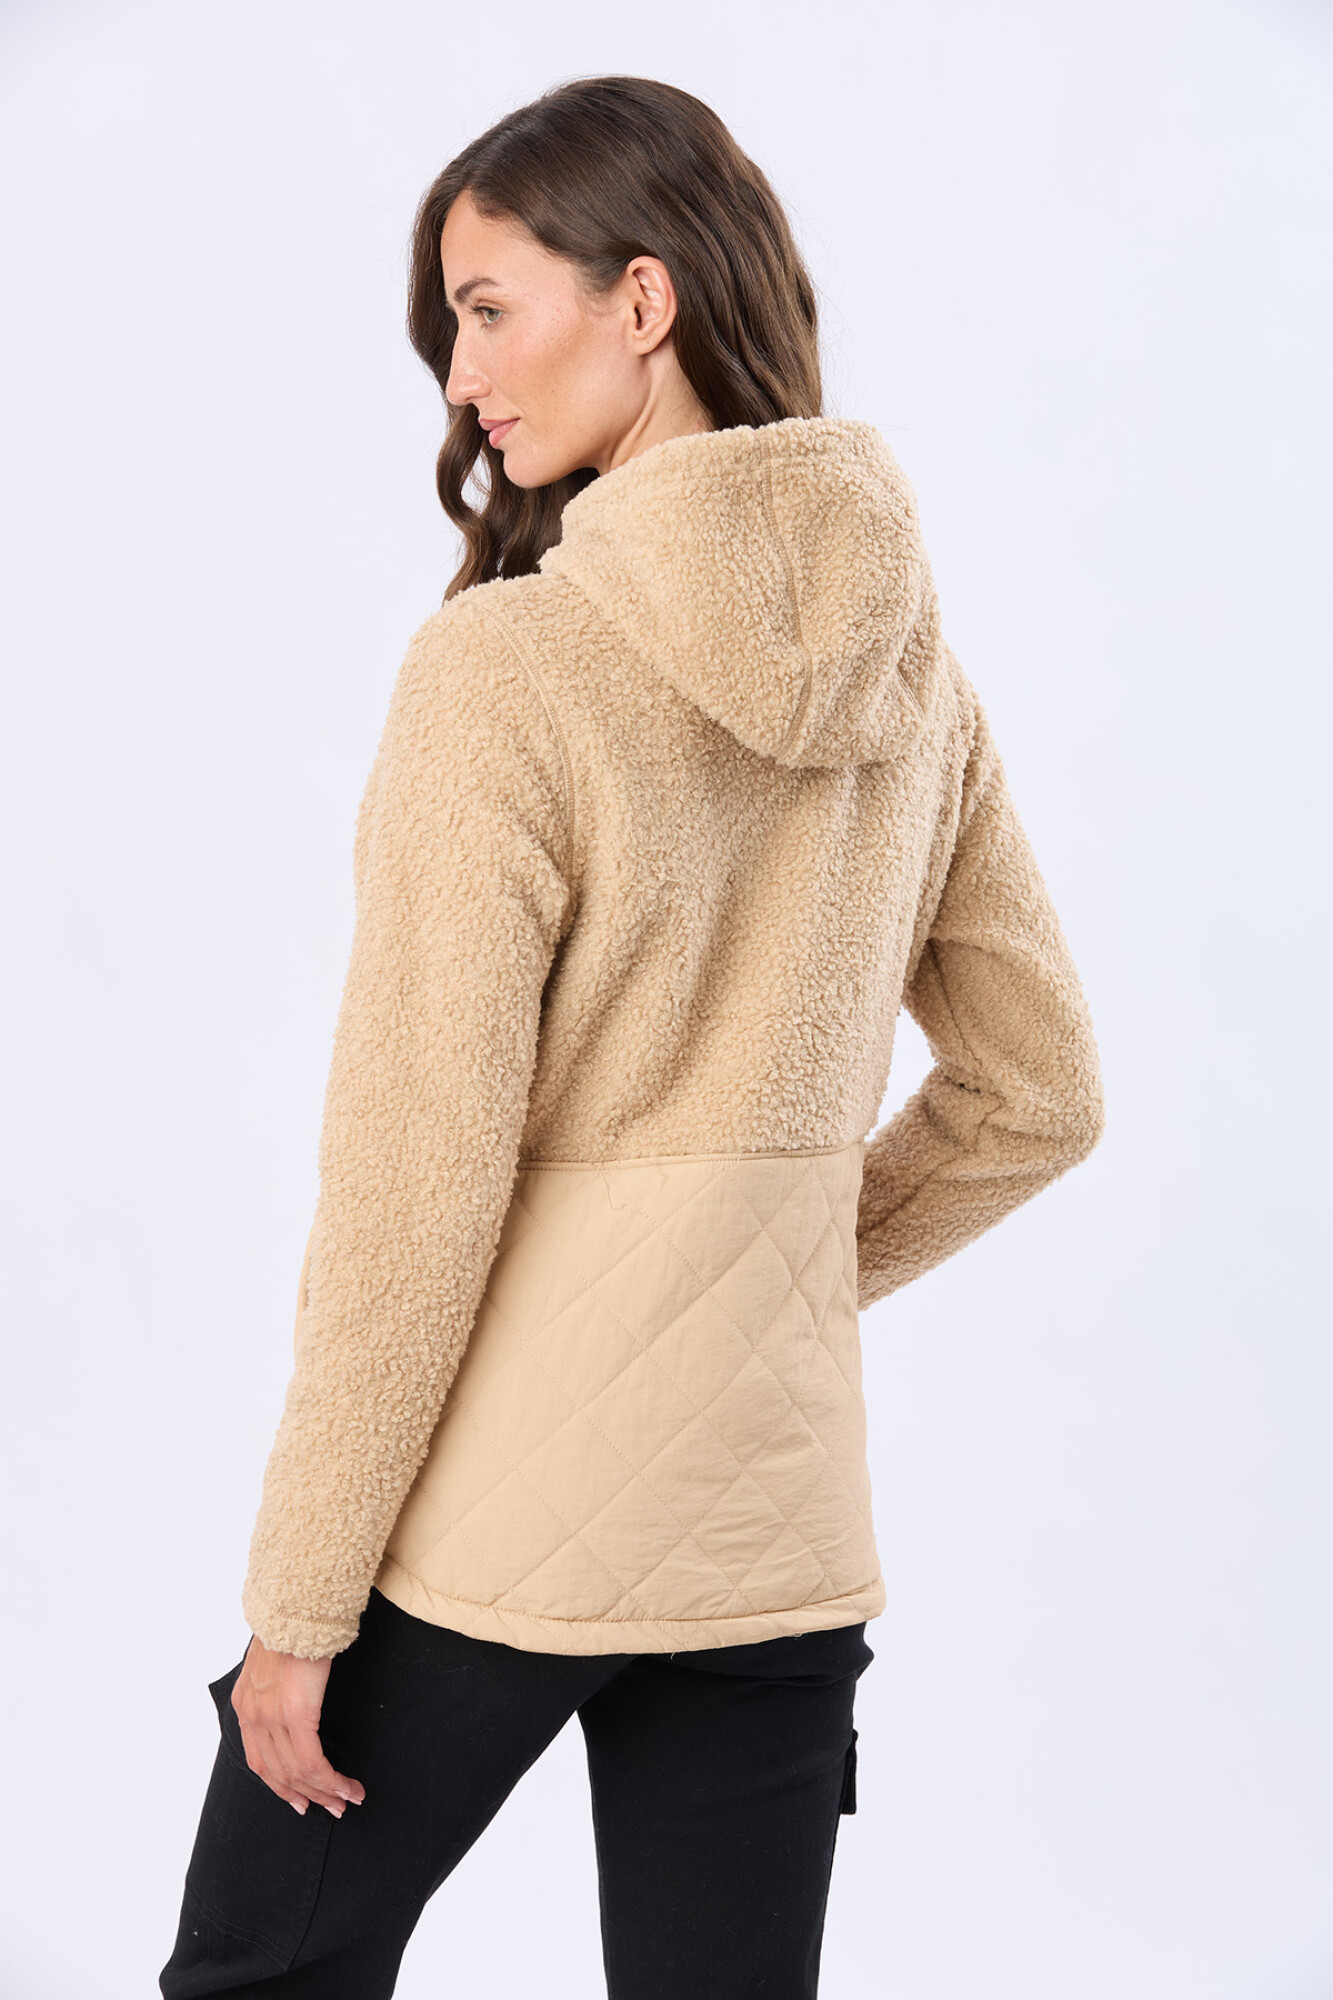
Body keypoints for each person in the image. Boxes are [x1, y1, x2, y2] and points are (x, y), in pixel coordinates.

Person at [159, 73, 1105, 2000]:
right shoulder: (915, 678)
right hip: (775, 1533)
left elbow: (414, 1189)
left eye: (488, 309)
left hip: (500, 1523)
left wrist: (298, 1599)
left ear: (645, 301)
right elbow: (1039, 1095)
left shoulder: (504, 667)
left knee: (258, 1971)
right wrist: (744, 1285)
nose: (460, 382)